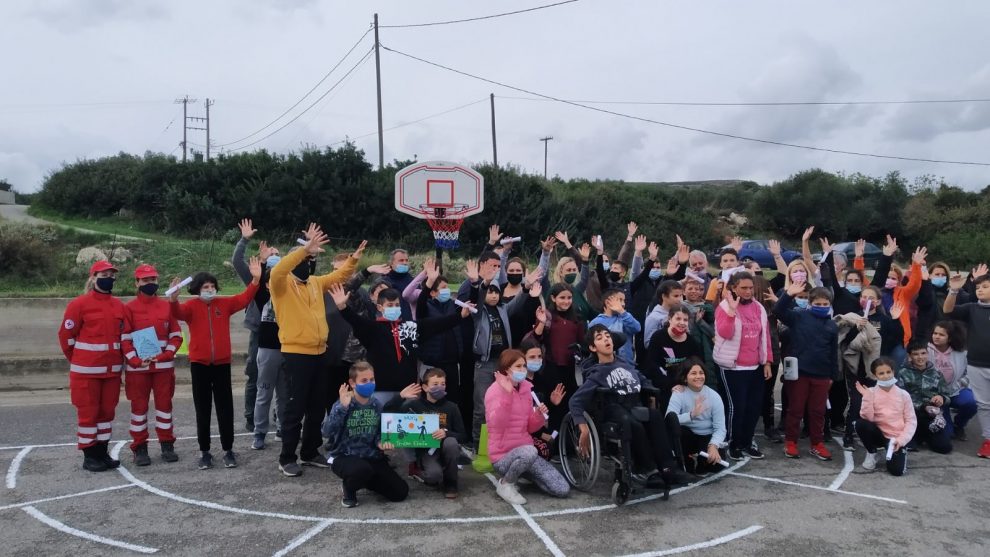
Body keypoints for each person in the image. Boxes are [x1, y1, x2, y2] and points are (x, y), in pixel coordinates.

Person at [268, 224, 363, 477]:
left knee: (316, 406)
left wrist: (353, 259)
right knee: (295, 407)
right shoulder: (281, 284)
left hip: (320, 352)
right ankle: (287, 457)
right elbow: (278, 269)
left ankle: (310, 451)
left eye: (312, 260)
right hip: (296, 354)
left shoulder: (314, 283)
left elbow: (338, 277)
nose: (309, 264)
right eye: (306, 259)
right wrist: (304, 249)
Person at [571, 326, 692, 488]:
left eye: (608, 336)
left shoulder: (626, 364)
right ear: (593, 348)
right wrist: (583, 428)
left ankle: (668, 467)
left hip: (634, 404)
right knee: (632, 423)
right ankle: (648, 470)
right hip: (613, 409)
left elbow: (643, 380)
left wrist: (652, 392)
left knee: (655, 416)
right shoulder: (596, 373)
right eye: (600, 338)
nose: (606, 339)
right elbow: (575, 401)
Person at [168, 258, 261, 469]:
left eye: (212, 286)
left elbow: (244, 298)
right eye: (205, 287)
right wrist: (173, 299)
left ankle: (228, 450)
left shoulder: (224, 304)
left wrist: (255, 280)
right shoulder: (191, 306)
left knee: (225, 408)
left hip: (221, 365)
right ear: (197, 290)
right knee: (203, 409)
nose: (209, 290)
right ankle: (205, 452)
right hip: (199, 365)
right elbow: (177, 313)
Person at [58, 260, 128, 472]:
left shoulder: (119, 306)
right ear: (93, 278)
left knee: (107, 413)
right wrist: (80, 360)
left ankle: (102, 453)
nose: (109, 279)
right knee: (89, 414)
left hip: (111, 372)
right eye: (104, 275)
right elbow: (66, 337)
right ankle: (90, 456)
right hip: (86, 373)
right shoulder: (79, 305)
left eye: (111, 276)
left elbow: (124, 337)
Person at [464, 255, 542, 444]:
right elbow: (476, 298)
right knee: (482, 406)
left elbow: (517, 302)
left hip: (503, 364)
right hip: (484, 364)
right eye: (489, 292)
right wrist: (481, 283)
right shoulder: (478, 311)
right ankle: (478, 443)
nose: (493, 295)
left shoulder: (503, 309)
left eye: (496, 292)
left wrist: (526, 287)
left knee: (505, 404)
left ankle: (500, 442)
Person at [322, 361, 411, 508]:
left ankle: (365, 480)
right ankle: (349, 489)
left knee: (400, 492)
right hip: (344, 457)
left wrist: (381, 443)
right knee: (361, 470)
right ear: (353, 383)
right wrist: (342, 408)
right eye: (364, 380)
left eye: (372, 379)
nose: (369, 384)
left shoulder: (376, 404)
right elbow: (327, 431)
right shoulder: (343, 403)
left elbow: (378, 432)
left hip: (371, 456)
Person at [486, 349, 570, 504]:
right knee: (530, 451)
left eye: (524, 366)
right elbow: (497, 424)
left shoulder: (526, 388)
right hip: (502, 456)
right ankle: (506, 483)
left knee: (561, 488)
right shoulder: (494, 390)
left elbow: (530, 428)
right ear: (507, 369)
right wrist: (507, 395)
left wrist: (538, 415)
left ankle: (520, 474)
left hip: (526, 454)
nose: (523, 369)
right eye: (518, 366)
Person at [121, 264, 183, 465]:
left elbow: (176, 335)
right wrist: (135, 360)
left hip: (163, 369)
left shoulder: (167, 306)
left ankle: (167, 444)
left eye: (153, 279)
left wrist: (166, 355)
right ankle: (139, 448)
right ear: (137, 283)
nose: (150, 283)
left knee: (165, 408)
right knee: (138, 409)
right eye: (145, 280)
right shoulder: (129, 308)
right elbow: (125, 339)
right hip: (138, 370)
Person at [712, 271, 774, 460]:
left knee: (753, 407)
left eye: (751, 288)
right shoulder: (724, 307)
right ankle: (733, 443)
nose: (748, 291)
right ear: (733, 287)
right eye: (743, 288)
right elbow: (725, 333)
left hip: (755, 366)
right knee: (736, 408)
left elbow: (765, 336)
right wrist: (732, 312)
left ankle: (747, 442)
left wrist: (767, 361)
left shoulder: (758, 307)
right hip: (733, 367)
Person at [775, 283, 838, 461]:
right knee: (795, 409)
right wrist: (788, 294)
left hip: (822, 374)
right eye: (818, 304)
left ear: (830, 305)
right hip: (799, 372)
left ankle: (817, 443)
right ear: (810, 304)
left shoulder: (832, 325)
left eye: (825, 304)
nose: (822, 307)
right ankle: (791, 441)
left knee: (818, 411)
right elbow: (778, 310)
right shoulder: (799, 316)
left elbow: (833, 352)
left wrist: (832, 376)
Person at [232, 218, 274, 432]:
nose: (273, 256)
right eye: (270, 254)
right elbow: (237, 261)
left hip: (284, 334)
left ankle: (279, 414)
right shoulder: (255, 278)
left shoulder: (288, 278)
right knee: (255, 373)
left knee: (284, 377)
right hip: (259, 332)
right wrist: (244, 240)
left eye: (277, 255)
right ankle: (251, 417)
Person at [944, 272, 990, 458]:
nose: (980, 290)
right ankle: (988, 440)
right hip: (976, 364)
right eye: (977, 287)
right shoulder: (971, 308)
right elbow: (948, 310)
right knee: (984, 404)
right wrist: (954, 291)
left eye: (985, 287)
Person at [403, 368, 468, 498]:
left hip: (447, 448)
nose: (440, 387)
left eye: (443, 384)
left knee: (451, 442)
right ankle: (420, 468)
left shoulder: (452, 407)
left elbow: (463, 436)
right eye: (435, 384)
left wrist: (446, 433)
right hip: (427, 451)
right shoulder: (415, 405)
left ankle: (451, 481)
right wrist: (400, 398)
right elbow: (393, 416)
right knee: (433, 477)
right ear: (425, 387)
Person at [250, 250, 289, 451]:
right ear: (266, 284)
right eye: (272, 280)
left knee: (284, 395)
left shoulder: (289, 296)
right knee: (264, 393)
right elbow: (258, 284)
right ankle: (259, 432)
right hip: (267, 351)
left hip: (289, 349)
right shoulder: (263, 296)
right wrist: (263, 263)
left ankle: (282, 428)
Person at [855, 357, 916, 475]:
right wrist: (867, 397)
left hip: (895, 438)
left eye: (888, 372)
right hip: (879, 434)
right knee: (861, 424)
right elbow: (867, 418)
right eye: (881, 373)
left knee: (897, 471)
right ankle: (872, 452)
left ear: (893, 372)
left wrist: (901, 440)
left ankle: (897, 451)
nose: (886, 376)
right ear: (875, 375)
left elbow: (911, 421)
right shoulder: (871, 392)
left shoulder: (903, 394)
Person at [666, 358, 727, 475]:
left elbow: (720, 428)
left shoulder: (714, 396)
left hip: (707, 436)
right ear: (685, 378)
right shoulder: (679, 393)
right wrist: (692, 414)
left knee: (717, 465)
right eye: (693, 373)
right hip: (688, 436)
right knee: (678, 431)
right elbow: (669, 419)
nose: (698, 376)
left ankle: (700, 462)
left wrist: (713, 446)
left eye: (701, 373)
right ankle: (686, 460)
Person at [896, 341, 953, 454]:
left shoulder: (937, 373)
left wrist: (941, 398)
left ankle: (925, 435)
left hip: (931, 415)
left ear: (927, 354)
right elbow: (900, 398)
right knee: (908, 446)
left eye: (923, 353)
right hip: (911, 414)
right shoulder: (902, 373)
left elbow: (948, 395)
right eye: (916, 354)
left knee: (945, 447)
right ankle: (916, 435)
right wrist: (923, 406)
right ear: (909, 356)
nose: (920, 357)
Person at [644, 305, 703, 409]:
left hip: (686, 384)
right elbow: (652, 365)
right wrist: (670, 386)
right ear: (670, 319)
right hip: (664, 384)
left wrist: (688, 384)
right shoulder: (658, 337)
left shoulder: (691, 341)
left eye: (685, 320)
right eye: (678, 318)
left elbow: (698, 365)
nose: (682, 322)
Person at [929, 321, 977, 441]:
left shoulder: (962, 353)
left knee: (972, 402)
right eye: (935, 333)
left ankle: (959, 425)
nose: (936, 336)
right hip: (935, 396)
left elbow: (969, 373)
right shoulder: (925, 351)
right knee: (947, 435)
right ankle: (947, 426)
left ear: (950, 338)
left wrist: (959, 384)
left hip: (955, 391)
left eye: (941, 334)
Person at [588, 288, 642, 363]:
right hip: (606, 364)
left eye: (624, 301)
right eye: (620, 300)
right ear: (607, 302)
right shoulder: (596, 322)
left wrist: (622, 312)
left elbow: (637, 328)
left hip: (627, 363)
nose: (623, 304)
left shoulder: (625, 317)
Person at [643, 280, 685, 349]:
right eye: (676, 296)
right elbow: (648, 343)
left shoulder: (681, 314)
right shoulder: (654, 317)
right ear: (664, 296)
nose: (680, 299)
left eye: (681, 296)